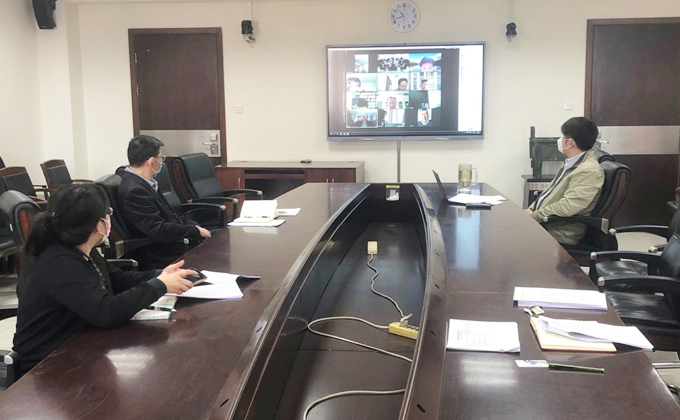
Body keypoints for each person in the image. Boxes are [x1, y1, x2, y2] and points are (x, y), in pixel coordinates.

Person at [12, 184, 196, 376]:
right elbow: (106, 312)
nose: (110, 219)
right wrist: (159, 286)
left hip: (79, 346)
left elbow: (116, 279)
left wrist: (159, 275)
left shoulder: (82, 248)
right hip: (46, 365)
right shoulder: (59, 262)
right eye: (108, 213)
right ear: (99, 224)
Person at [118, 135, 211, 268]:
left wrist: (195, 227)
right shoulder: (134, 191)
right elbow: (158, 230)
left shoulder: (146, 183)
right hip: (161, 253)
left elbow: (171, 215)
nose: (162, 162)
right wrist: (193, 231)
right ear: (152, 161)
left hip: (175, 241)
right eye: (161, 158)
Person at [525, 117, 605, 245]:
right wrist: (532, 209)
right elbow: (549, 193)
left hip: (560, 232)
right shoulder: (572, 163)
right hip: (547, 223)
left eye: (562, 137)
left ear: (570, 142)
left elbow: (568, 206)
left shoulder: (588, 171)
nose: (560, 141)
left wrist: (535, 215)